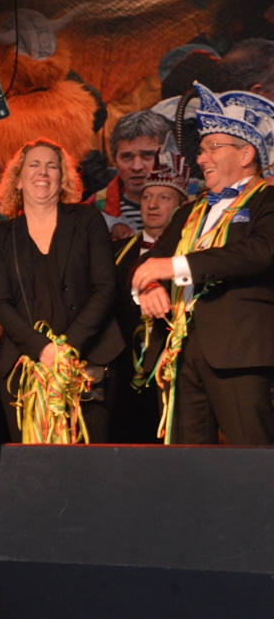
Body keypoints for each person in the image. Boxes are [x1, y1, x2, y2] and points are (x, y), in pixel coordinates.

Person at [132, 83, 274, 445]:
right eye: (201, 149)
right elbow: (149, 262)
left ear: (245, 154)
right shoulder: (188, 212)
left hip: (238, 349)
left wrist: (173, 268)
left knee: (252, 457)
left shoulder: (267, 200)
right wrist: (149, 286)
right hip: (180, 351)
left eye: (213, 147)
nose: (202, 158)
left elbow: (260, 252)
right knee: (187, 464)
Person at [0, 138, 124, 444]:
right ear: (18, 179)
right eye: (34, 165)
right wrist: (41, 348)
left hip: (88, 362)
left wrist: (66, 349)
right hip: (24, 367)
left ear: (62, 179)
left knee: (87, 464)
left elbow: (105, 287)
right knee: (36, 469)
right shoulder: (0, 236)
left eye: (52, 166)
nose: (43, 172)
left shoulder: (87, 220)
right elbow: (1, 303)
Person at [110, 137, 188, 443]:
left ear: (182, 207)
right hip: (122, 377)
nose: (152, 205)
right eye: (146, 197)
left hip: (177, 374)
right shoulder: (114, 252)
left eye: (163, 197)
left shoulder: (191, 256)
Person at [93, 111, 172, 240]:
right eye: (127, 157)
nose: (136, 167)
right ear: (115, 160)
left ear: (168, 156)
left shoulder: (196, 198)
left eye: (147, 155)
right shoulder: (94, 208)